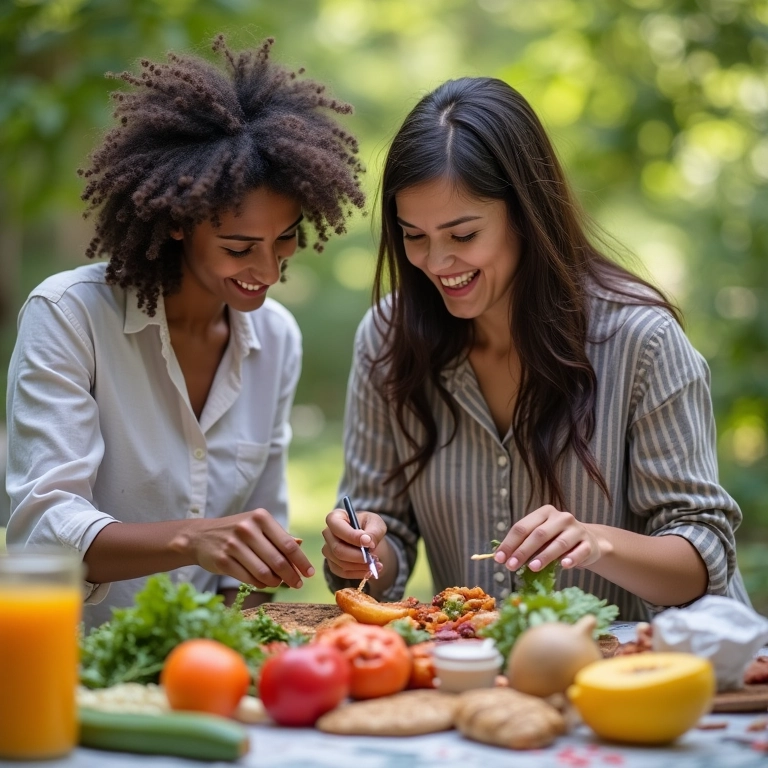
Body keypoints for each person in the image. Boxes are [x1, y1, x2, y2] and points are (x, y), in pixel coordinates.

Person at [321, 76, 750, 620]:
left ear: (525, 215)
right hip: (494, 682)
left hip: (656, 678)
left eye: (462, 235)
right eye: (413, 235)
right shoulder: (388, 340)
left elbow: (704, 556)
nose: (434, 262)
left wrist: (596, 543)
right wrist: (363, 551)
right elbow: (386, 542)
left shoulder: (642, 341)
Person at [6, 35, 365, 629]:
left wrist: (232, 648)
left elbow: (249, 560)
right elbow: (44, 531)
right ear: (178, 223)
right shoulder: (70, 316)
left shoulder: (275, 338)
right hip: (73, 666)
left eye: (285, 239)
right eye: (238, 247)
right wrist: (192, 538)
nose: (269, 271)